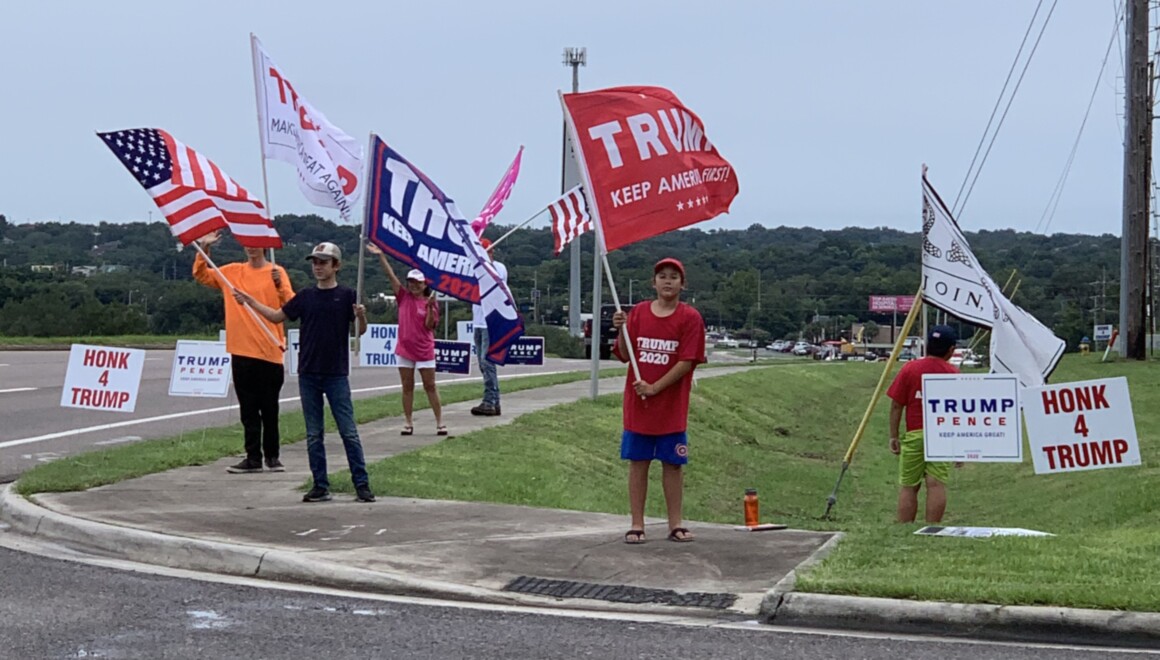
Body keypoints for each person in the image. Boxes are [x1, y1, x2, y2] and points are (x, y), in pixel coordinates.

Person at [233, 242, 375, 504]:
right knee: (313, 433)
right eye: (315, 262)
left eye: (323, 262)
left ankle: (362, 484)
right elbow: (277, 316)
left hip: (335, 373)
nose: (318, 267)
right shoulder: (306, 296)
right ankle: (320, 484)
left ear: (336, 266)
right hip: (308, 372)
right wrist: (250, 302)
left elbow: (359, 331)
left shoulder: (347, 295)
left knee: (348, 431)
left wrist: (361, 316)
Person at [610, 258, 706, 544]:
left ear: (682, 284)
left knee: (672, 464)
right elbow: (625, 354)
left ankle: (675, 523)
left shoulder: (690, 318)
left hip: (671, 408)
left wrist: (655, 387)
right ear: (653, 283)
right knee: (638, 462)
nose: (667, 281)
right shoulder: (638, 313)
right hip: (638, 406)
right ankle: (636, 523)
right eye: (662, 276)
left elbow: (687, 361)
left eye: (674, 277)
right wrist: (621, 329)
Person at [193, 230, 293, 474]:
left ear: (264, 246)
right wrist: (204, 248)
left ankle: (272, 456)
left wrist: (280, 286)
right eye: (248, 243)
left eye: (256, 243)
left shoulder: (277, 272)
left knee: (269, 409)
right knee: (248, 410)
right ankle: (253, 457)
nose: (251, 248)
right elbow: (202, 275)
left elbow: (291, 304)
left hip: (269, 350)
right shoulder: (232, 272)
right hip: (241, 351)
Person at [367, 244, 445, 436]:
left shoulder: (430, 302)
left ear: (425, 284)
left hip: (424, 349)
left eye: (418, 282)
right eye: (411, 282)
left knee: (430, 386)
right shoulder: (403, 297)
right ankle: (408, 422)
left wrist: (430, 308)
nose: (414, 285)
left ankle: (439, 422)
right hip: (405, 349)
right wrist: (381, 256)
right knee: (407, 386)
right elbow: (391, 276)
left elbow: (429, 326)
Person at [886, 324, 960, 523]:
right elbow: (959, 413)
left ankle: (904, 527)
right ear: (951, 350)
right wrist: (960, 447)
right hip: (942, 435)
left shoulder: (910, 369)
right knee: (936, 484)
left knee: (909, 485)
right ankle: (932, 527)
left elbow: (896, 405)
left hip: (914, 434)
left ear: (927, 345)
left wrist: (894, 435)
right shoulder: (953, 374)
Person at [470, 238, 508, 416]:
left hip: (490, 322)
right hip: (478, 320)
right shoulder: (474, 268)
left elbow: (493, 280)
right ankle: (494, 401)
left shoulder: (498, 268)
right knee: (482, 363)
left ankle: (490, 400)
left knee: (487, 362)